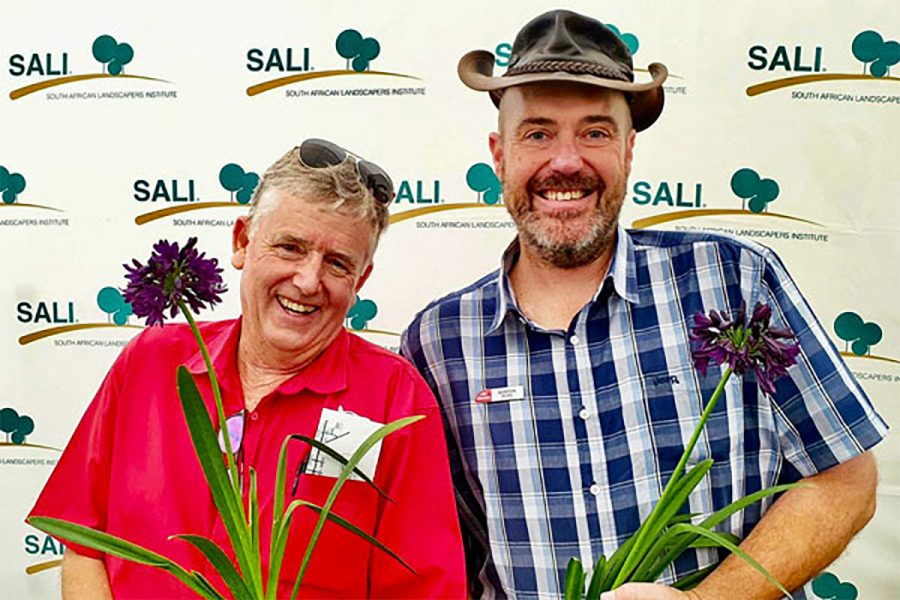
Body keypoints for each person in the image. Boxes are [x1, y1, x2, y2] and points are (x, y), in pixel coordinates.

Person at [401, 10, 887, 600]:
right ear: (499, 155)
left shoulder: (732, 281)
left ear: (629, 151)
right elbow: (446, 556)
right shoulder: (439, 342)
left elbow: (845, 480)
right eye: (538, 133)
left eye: (595, 132)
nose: (566, 160)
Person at [30, 139, 466, 599]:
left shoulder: (395, 399)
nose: (307, 280)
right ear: (242, 241)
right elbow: (83, 541)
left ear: (361, 279)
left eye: (337, 263)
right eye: (290, 247)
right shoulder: (151, 363)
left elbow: (424, 590)